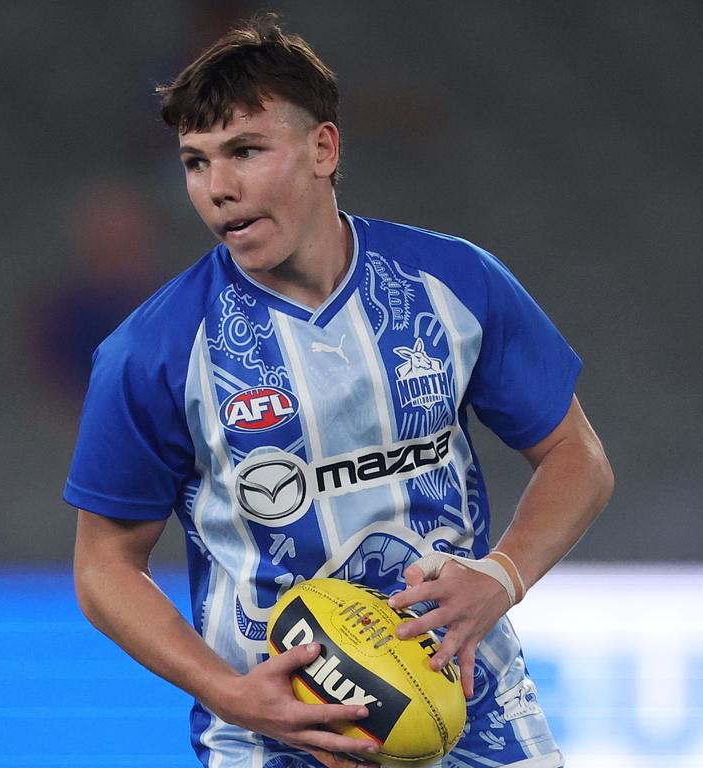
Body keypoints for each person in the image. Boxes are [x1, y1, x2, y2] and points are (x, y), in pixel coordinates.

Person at [66, 13, 613, 768]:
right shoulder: (152, 351)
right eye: (196, 163)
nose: (218, 189)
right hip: (276, 734)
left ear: (323, 148)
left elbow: (576, 456)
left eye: (246, 151)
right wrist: (231, 693)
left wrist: (501, 576)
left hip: (468, 708)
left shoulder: (454, 284)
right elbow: (103, 567)